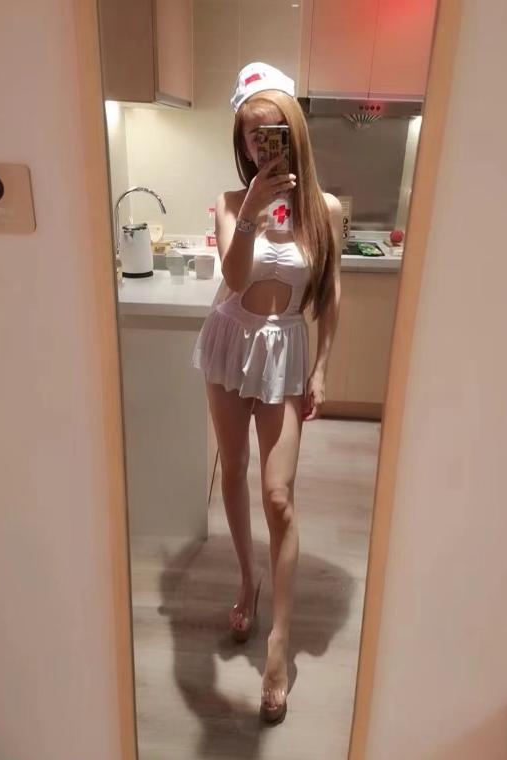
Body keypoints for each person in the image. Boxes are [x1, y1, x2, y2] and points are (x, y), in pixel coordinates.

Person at [192, 62, 342, 723]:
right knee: (232, 470)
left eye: (272, 131)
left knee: (278, 496)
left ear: (295, 132)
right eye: (252, 135)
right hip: (232, 338)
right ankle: (246, 582)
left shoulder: (325, 209)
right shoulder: (230, 203)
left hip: (285, 349)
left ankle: (279, 641)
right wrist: (250, 211)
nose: (262, 144)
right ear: (242, 141)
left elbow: (330, 296)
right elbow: (232, 277)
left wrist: (321, 369)